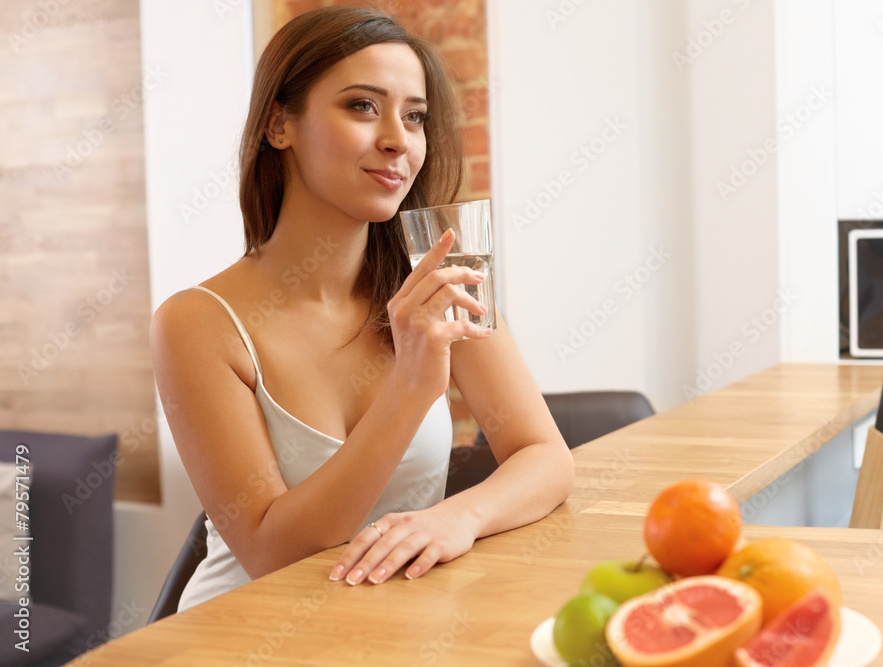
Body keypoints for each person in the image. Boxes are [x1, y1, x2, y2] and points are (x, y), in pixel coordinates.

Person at [150, 6, 574, 611]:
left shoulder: (442, 285)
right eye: (362, 106)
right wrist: (409, 387)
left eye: (415, 116)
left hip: (390, 627)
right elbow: (272, 552)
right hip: (242, 633)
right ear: (279, 126)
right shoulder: (197, 323)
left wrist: (459, 517)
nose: (398, 139)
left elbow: (547, 458)